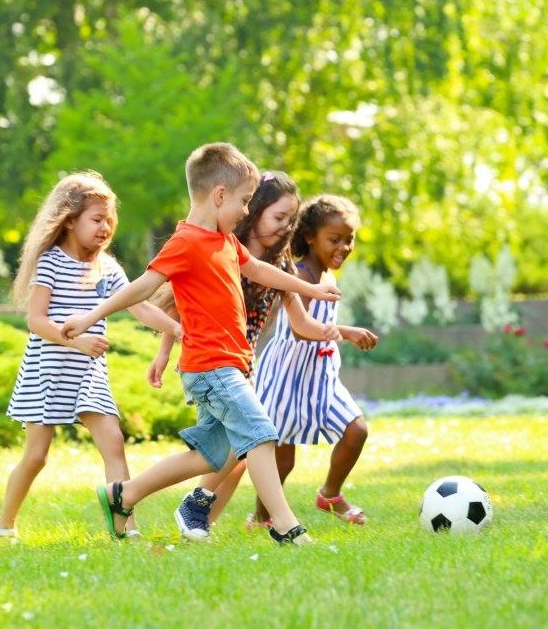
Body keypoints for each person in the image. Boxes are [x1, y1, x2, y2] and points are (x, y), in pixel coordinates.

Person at [61, 143, 340, 546]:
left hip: (229, 364)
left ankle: (124, 494)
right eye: (244, 201)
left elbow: (260, 269)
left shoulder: (225, 241)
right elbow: (143, 287)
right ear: (219, 195)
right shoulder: (187, 241)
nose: (247, 211)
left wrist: (306, 286)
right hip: (211, 367)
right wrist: (89, 317)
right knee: (260, 433)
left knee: (211, 457)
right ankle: (284, 524)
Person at [147, 171, 347, 540]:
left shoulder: (281, 264)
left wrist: (340, 330)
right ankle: (220, 517)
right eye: (279, 217)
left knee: (230, 454)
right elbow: (178, 304)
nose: (287, 227)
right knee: (246, 444)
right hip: (210, 361)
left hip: (241, 362)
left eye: (292, 218)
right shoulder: (219, 248)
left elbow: (300, 323)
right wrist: (162, 353)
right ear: (253, 211)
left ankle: (192, 520)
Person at [0, 172, 182, 542]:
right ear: (70, 220)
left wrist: (178, 330)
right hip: (48, 371)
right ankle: (4, 524)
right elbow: (36, 320)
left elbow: (140, 307)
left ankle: (126, 529)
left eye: (109, 220)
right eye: (96, 219)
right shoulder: (51, 262)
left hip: (88, 374)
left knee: (113, 442)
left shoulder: (107, 268)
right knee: (37, 456)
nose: (105, 227)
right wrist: (77, 342)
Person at [252, 194, 378, 527]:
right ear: (310, 236)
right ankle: (262, 517)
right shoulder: (302, 275)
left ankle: (330, 494)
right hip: (286, 374)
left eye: (349, 240)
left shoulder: (327, 278)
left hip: (320, 376)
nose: (344, 247)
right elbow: (299, 330)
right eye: (334, 239)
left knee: (356, 430)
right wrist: (346, 331)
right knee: (283, 459)